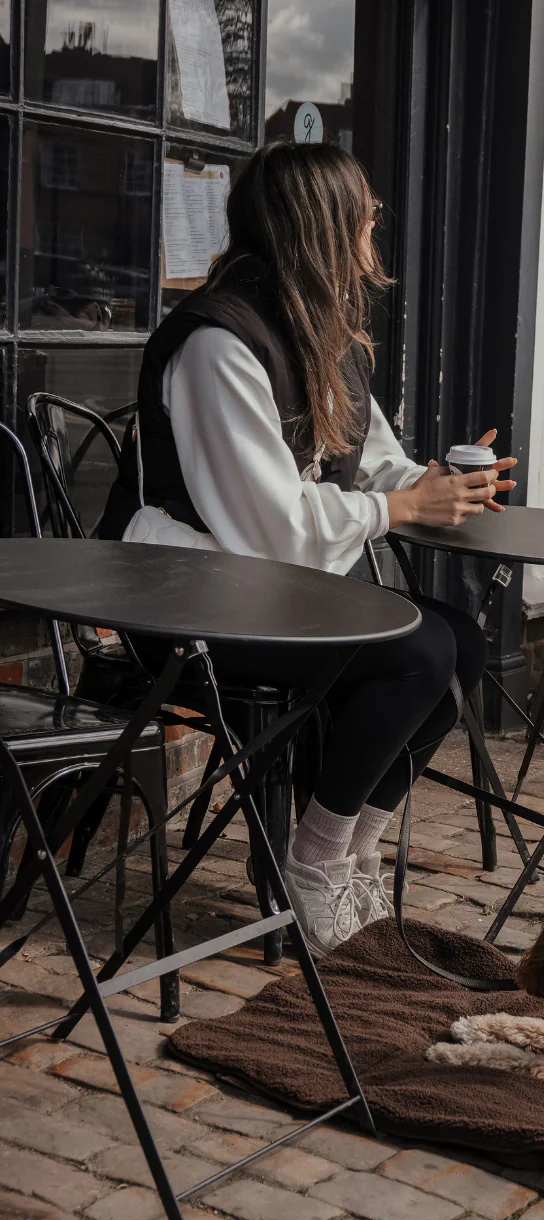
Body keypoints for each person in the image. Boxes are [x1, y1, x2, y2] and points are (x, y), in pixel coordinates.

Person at [99, 141, 516, 955]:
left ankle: (351, 849)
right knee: (417, 652)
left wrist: (439, 482)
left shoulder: (325, 329)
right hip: (182, 589)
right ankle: (314, 863)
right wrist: (396, 509)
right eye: (363, 217)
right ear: (323, 229)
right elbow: (273, 528)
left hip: (266, 585)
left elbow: (368, 458)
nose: (374, 231)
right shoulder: (221, 341)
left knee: (459, 644)